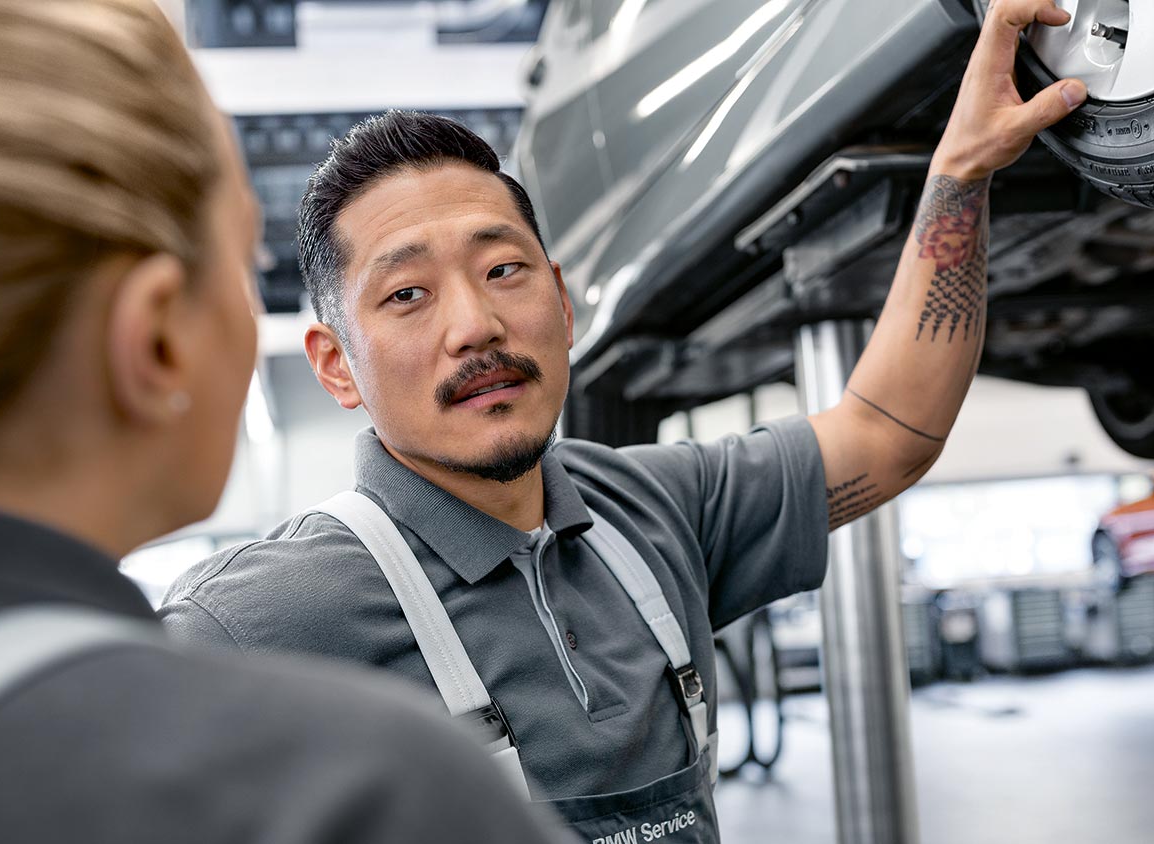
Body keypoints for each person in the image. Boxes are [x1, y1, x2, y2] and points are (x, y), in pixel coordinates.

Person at [160, 1, 1088, 839]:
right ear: (335, 366)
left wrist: (962, 170)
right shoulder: (250, 622)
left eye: (504, 270)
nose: (474, 325)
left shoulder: (653, 510)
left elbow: (887, 435)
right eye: (407, 293)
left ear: (562, 304)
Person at [0, 2, 572, 842]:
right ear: (155, 336)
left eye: (504, 270)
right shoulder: (358, 793)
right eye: (249, 263)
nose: (472, 325)